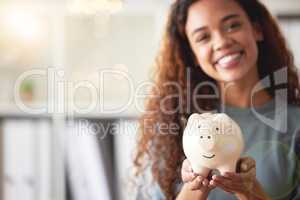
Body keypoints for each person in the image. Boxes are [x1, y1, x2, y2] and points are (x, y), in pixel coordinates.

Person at [133, 0, 300, 199]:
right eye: (203, 37)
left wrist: (249, 190)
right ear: (193, 54)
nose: (221, 42)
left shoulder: (295, 125)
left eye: (232, 25)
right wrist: (195, 184)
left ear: (256, 30)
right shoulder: (174, 126)